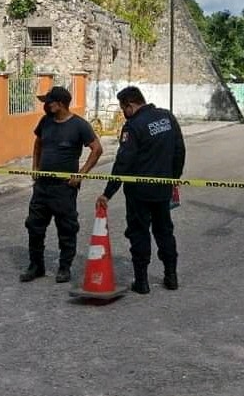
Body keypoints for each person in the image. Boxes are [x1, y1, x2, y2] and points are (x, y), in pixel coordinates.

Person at [96, 86, 186, 294]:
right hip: (163, 188)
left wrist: (108, 193)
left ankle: (142, 282)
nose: (123, 113)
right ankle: (171, 277)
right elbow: (179, 150)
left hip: (139, 192)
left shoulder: (133, 126)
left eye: (123, 109)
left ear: (130, 105)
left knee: (139, 233)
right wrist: (174, 178)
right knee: (164, 232)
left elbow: (123, 163)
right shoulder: (167, 118)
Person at [20, 86, 103, 283]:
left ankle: (64, 268)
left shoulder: (79, 125)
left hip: (64, 188)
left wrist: (80, 175)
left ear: (60, 104)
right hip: (42, 187)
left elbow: (97, 149)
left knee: (66, 228)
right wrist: (35, 166)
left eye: (49, 102)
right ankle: (36, 266)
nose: (45, 106)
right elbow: (38, 143)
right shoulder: (46, 122)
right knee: (34, 226)